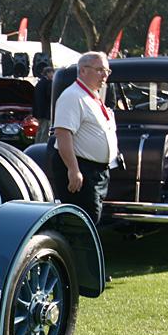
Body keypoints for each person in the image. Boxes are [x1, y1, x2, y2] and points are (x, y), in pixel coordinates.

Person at [51, 51, 118, 226]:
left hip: (97, 171)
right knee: (81, 222)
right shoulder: (73, 96)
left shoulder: (93, 96)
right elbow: (63, 133)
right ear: (83, 71)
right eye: (100, 70)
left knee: (92, 219)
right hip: (82, 168)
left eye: (107, 72)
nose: (104, 75)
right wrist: (73, 170)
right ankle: (75, 253)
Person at [33, 65, 55, 143]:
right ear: (47, 73)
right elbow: (50, 97)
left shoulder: (39, 83)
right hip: (45, 111)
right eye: (52, 73)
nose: (53, 75)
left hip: (38, 111)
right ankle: (41, 145)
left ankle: (36, 143)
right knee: (44, 131)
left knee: (39, 129)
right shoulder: (48, 83)